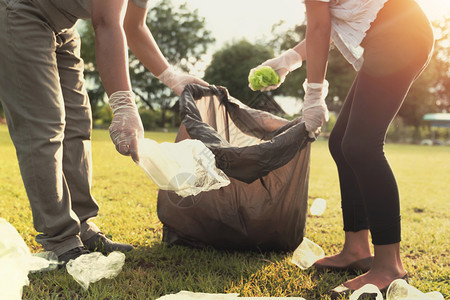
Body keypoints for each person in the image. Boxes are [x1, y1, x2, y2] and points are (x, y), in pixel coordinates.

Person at [0, 0, 206, 265]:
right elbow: (107, 22)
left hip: (64, 25)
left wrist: (170, 76)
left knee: (77, 124)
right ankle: (60, 239)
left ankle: (82, 226)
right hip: (22, 11)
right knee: (44, 127)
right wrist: (123, 104)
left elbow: (133, 26)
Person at [249, 0, 434, 297]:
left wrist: (313, 97)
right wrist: (287, 60)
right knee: (342, 143)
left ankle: (390, 265)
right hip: (396, 31)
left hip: (399, 32)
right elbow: (328, 23)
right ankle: (356, 248)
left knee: (361, 146)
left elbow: (321, 26)